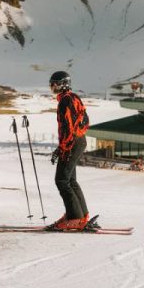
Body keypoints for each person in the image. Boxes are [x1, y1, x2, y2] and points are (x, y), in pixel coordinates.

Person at [48, 70, 93, 230]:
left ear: (62, 84)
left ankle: (75, 218)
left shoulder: (66, 101)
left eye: (53, 84)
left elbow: (68, 128)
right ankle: (80, 215)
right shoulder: (73, 98)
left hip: (72, 143)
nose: (51, 87)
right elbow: (84, 120)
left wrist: (63, 149)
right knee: (70, 180)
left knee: (61, 180)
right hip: (78, 141)